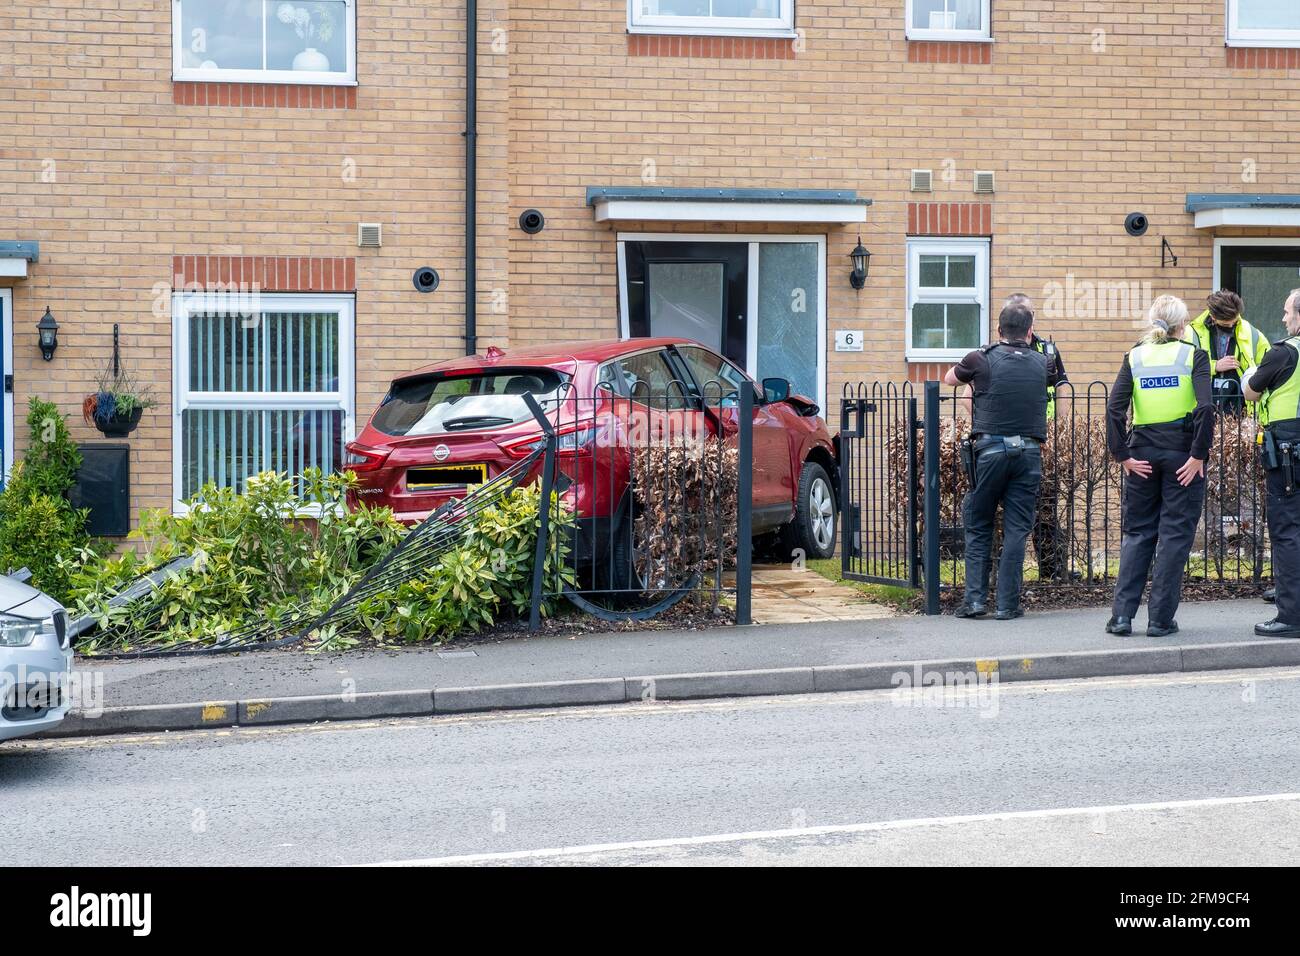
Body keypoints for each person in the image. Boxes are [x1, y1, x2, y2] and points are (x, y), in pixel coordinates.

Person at [944, 302, 1063, 620]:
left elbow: (949, 379)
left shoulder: (980, 358)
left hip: (990, 452)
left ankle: (974, 602)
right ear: (1029, 332)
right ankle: (1008, 605)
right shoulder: (1044, 362)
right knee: (1016, 530)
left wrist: (977, 381)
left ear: (998, 330)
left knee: (979, 523)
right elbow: (1050, 381)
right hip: (1029, 454)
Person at [1106, 295, 1213, 637]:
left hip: (1142, 456)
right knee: (1174, 537)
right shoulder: (1194, 356)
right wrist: (1198, 455)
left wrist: (1122, 455)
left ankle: (1121, 618)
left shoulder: (1134, 357)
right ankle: (1160, 620)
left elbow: (1113, 410)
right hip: (1182, 456)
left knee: (1137, 534)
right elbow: (1206, 409)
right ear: (1183, 326)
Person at [1243, 288, 1300, 638]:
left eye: (1287, 311)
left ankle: (1291, 616)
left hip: (1290, 452)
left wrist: (1251, 371)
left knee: (1288, 532)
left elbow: (1250, 391)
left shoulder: (1283, 353)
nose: (1283, 318)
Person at [1004, 293, 1071, 582]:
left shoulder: (1048, 349)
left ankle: (1052, 572)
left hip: (1043, 437)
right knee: (1005, 515)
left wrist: (1062, 427)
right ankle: (1006, 574)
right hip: (1008, 437)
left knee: (1046, 508)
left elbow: (1063, 386)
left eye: (1028, 313)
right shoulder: (996, 349)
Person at [1182, 289, 1268, 415]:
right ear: (1212, 316)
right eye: (1225, 324)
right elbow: (1183, 368)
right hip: (1202, 410)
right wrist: (1214, 366)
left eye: (1234, 322)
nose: (1231, 327)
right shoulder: (1190, 333)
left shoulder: (1253, 334)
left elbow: (1266, 367)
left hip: (1241, 411)